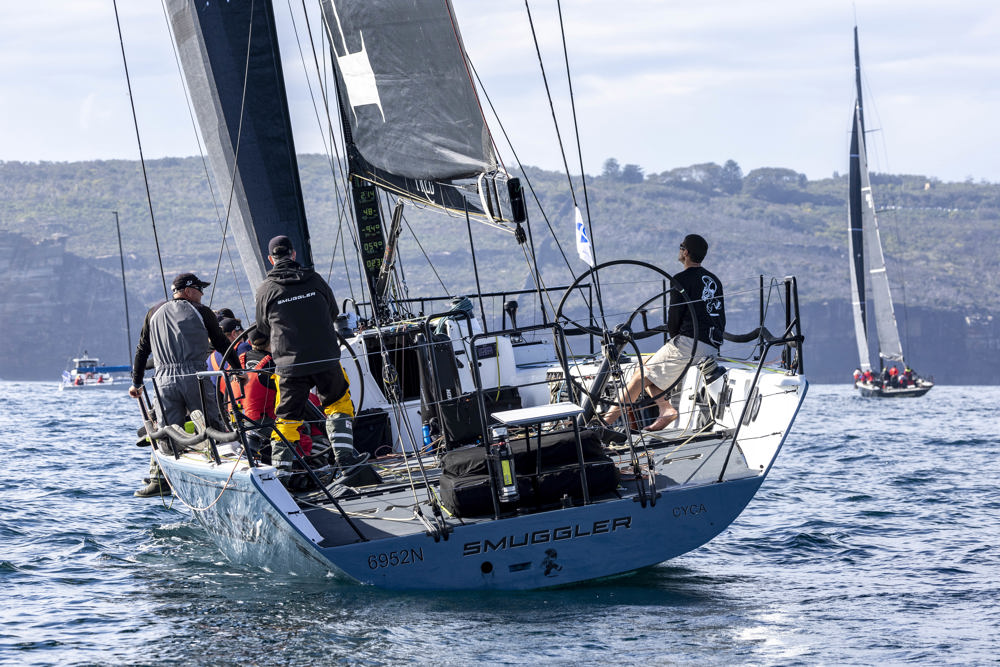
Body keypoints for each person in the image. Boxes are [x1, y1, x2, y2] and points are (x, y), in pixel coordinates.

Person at [254, 235, 370, 481]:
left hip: (288, 365)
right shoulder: (314, 279)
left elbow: (263, 328)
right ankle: (345, 460)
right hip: (325, 358)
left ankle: (282, 476)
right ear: (294, 254)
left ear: (270, 259)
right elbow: (332, 312)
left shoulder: (265, 289)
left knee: (287, 417)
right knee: (338, 402)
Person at [129, 272, 242, 497]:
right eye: (200, 290)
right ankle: (224, 477)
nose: (202, 295)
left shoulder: (152, 312)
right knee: (212, 425)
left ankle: (160, 480)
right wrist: (237, 369)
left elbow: (142, 349)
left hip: (162, 381)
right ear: (190, 291)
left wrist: (137, 383)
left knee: (166, 432)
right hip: (194, 377)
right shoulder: (201, 311)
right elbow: (221, 342)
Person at [602, 234, 725, 431]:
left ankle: (602, 426)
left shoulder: (680, 279)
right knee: (643, 367)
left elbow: (674, 320)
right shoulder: (714, 280)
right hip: (712, 345)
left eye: (681, 247)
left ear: (685, 252)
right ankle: (665, 408)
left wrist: (673, 336)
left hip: (689, 344)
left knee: (640, 377)